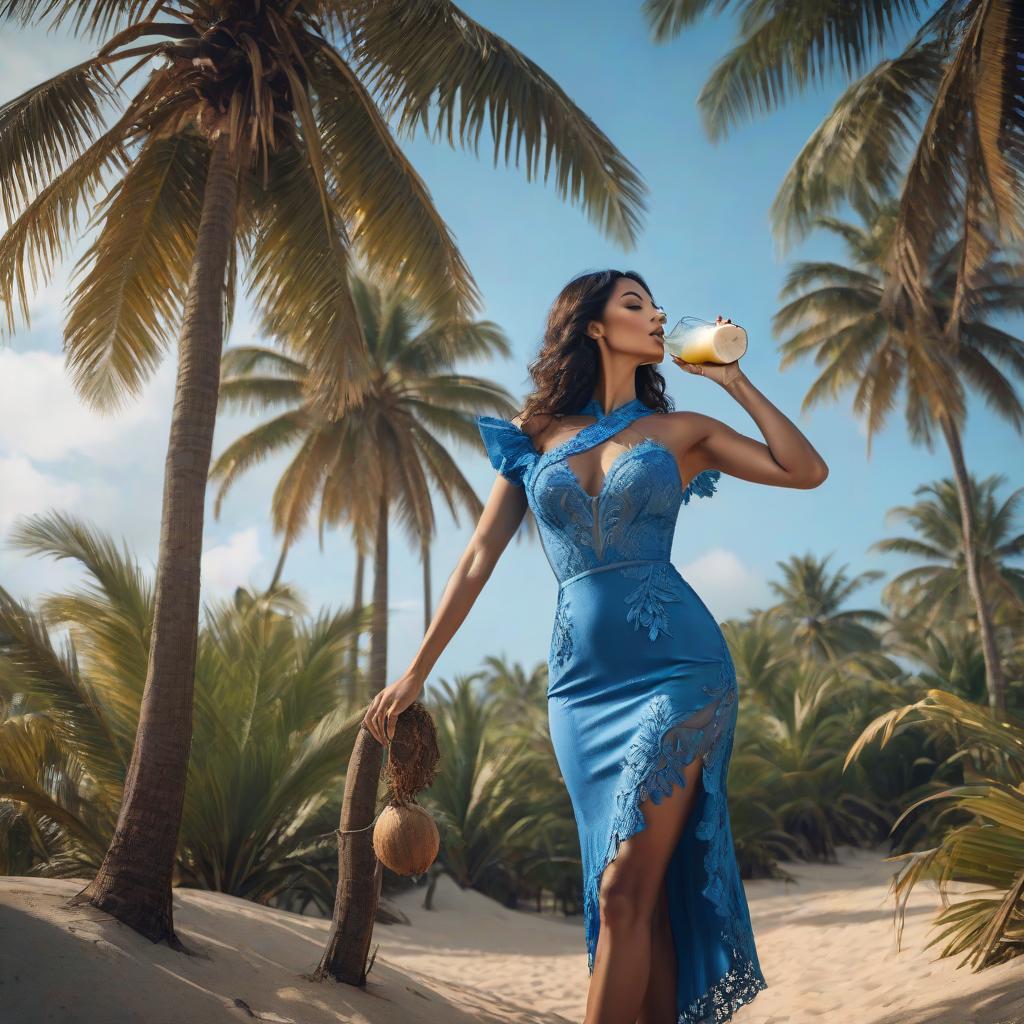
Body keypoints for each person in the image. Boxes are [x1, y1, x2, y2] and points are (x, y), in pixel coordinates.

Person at [363, 269, 829, 1023]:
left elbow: (804, 470)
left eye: (657, 308)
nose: (656, 317)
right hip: (581, 690)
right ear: (592, 326)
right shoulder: (534, 435)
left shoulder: (681, 435)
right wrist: (417, 671)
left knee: (622, 890)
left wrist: (732, 381)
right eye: (636, 305)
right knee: (634, 899)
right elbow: (479, 556)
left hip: (680, 669)